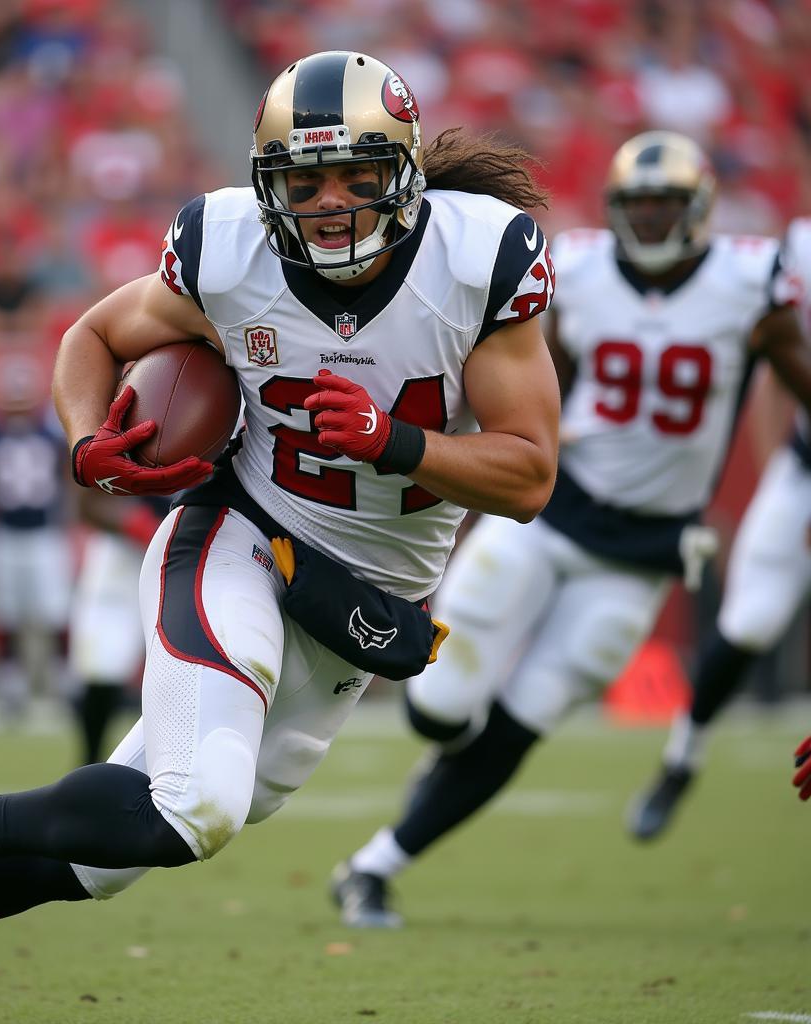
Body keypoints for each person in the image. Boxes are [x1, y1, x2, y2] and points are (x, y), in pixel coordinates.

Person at [0, 51, 561, 1021]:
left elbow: (529, 472)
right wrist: (85, 446)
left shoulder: (478, 260)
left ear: (401, 174)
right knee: (195, 807)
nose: (327, 202)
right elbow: (91, 339)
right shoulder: (227, 248)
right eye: (301, 179)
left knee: (104, 853)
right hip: (241, 535)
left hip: (356, 601)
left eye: (354, 175)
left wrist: (394, 441)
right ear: (264, 184)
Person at [330, 130, 811, 929]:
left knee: (528, 718)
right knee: (439, 707)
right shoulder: (578, 270)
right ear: (617, 210)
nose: (651, 222)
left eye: (666, 207)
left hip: (644, 552)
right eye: (638, 206)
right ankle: (441, 761)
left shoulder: (750, 285)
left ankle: (376, 866)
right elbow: (532, 385)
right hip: (553, 512)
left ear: (698, 211)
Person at [628, 216, 811, 839]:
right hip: (804, 468)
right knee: (751, 619)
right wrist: (772, 471)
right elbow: (776, 377)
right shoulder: (799, 250)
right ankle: (682, 760)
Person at [0, 354, 74, 722]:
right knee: (4, 614)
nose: (17, 402)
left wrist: (69, 524)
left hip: (45, 531)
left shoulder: (52, 430)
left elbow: (67, 479)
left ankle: (64, 683)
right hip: (3, 532)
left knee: (57, 612)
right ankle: (9, 688)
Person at [69, 489, 169, 764]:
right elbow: (88, 502)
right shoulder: (129, 448)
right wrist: (131, 522)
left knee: (177, 670)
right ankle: (90, 763)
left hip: (185, 553)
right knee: (102, 672)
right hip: (121, 560)